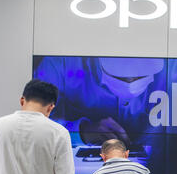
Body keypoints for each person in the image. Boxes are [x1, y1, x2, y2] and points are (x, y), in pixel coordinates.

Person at [33, 56, 166, 147]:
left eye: (140, 76)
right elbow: (35, 123)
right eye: (120, 78)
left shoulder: (172, 71)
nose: (130, 83)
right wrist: (81, 131)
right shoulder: (60, 63)